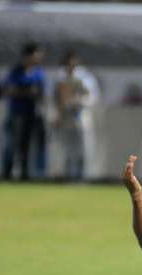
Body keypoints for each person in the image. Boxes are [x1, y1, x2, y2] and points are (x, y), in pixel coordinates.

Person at [1, 42, 47, 181]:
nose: (39, 58)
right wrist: (27, 91)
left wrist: (31, 93)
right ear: (27, 56)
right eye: (36, 55)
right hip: (17, 113)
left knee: (27, 146)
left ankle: (24, 175)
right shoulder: (16, 71)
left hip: (33, 113)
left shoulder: (39, 72)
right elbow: (9, 91)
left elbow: (41, 93)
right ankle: (7, 175)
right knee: (13, 144)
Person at [53, 51, 98, 181]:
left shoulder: (84, 79)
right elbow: (57, 101)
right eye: (68, 63)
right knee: (67, 149)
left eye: (73, 63)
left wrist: (78, 102)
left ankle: (81, 176)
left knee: (83, 148)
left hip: (81, 118)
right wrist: (57, 116)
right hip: (66, 119)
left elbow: (91, 97)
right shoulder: (60, 80)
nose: (71, 66)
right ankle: (67, 175)